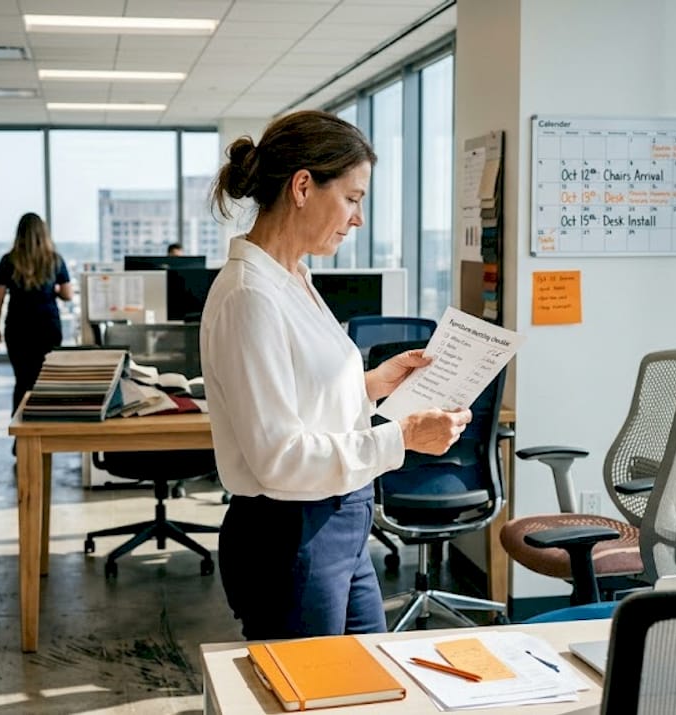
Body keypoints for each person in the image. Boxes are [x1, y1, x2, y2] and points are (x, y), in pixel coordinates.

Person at [201, 110, 472, 640]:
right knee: (317, 696)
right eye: (352, 198)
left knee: (366, 680)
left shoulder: (294, 278)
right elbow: (280, 459)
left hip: (342, 519)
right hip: (292, 532)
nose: (357, 220)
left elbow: (302, 392)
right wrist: (404, 438)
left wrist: (372, 384)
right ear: (303, 186)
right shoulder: (250, 296)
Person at [0, 212, 72, 417]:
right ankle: (43, 435)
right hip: (48, 327)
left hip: (18, 327)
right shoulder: (55, 260)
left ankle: (21, 433)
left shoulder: (8, 261)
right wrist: (51, 290)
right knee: (44, 381)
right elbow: (67, 294)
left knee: (23, 380)